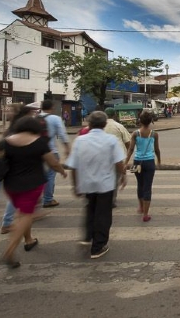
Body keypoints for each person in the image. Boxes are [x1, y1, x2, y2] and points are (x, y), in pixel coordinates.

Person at [0, 116, 67, 268]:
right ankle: (9, 251)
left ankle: (29, 239)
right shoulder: (40, 142)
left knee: (22, 212)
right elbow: (52, 162)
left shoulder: (5, 142)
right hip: (32, 185)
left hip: (10, 186)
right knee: (25, 215)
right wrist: (62, 170)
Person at [65, 111, 126, 259]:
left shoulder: (80, 140)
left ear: (89, 124)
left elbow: (73, 166)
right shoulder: (111, 140)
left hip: (87, 183)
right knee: (103, 215)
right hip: (105, 184)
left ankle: (87, 237)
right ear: (105, 124)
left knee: (90, 210)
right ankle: (98, 246)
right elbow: (119, 163)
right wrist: (123, 176)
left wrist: (76, 185)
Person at [125, 111, 161, 222]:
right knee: (147, 187)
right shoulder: (154, 134)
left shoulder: (135, 133)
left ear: (140, 120)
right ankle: (145, 214)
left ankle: (141, 206)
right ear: (151, 121)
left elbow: (130, 149)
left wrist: (126, 162)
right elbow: (156, 150)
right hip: (149, 162)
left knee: (140, 185)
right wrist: (159, 160)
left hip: (137, 162)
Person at [38, 99, 71, 208]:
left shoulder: (35, 118)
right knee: (50, 175)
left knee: (37, 174)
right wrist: (67, 148)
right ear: (52, 108)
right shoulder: (55, 119)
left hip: (35, 151)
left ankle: (36, 198)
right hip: (51, 151)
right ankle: (48, 199)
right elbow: (62, 134)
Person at [104, 107, 131, 206]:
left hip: (103, 157)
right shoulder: (119, 126)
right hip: (118, 158)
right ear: (114, 115)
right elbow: (128, 142)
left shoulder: (99, 126)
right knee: (115, 179)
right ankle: (111, 201)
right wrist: (127, 155)